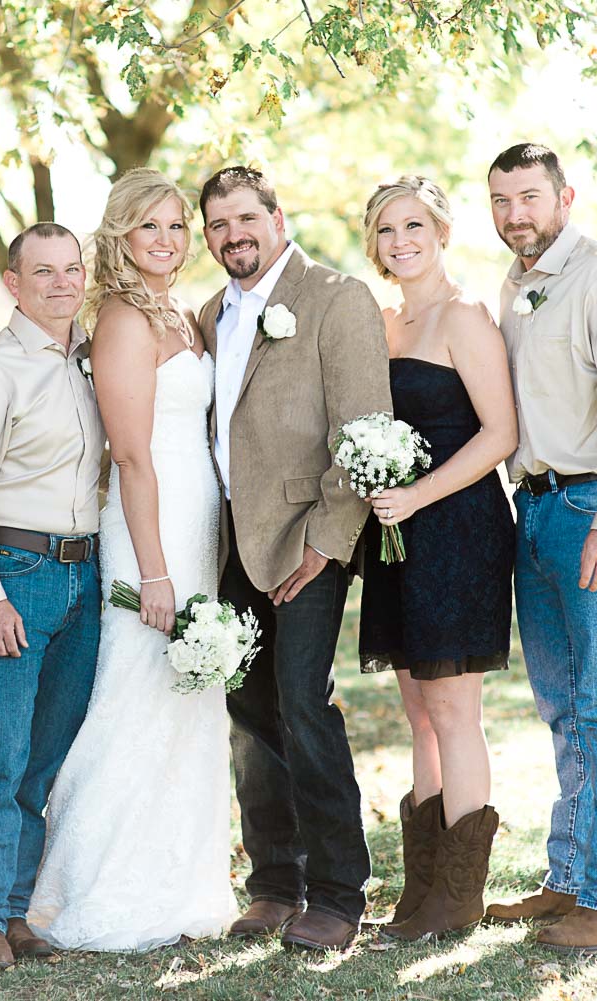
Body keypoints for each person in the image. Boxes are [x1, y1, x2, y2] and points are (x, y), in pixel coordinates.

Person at [27, 168, 236, 950]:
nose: (169, 240)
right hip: (148, 529)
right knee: (135, 690)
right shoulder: (120, 318)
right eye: (151, 226)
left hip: (195, 522)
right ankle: (101, 888)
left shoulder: (182, 312)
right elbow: (131, 455)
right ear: (120, 235)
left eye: (179, 226)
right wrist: (154, 572)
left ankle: (181, 885)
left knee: (187, 699)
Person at [198, 165, 392, 953]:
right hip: (227, 541)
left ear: (277, 217)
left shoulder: (336, 298)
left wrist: (324, 540)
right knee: (248, 710)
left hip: (307, 538)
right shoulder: (211, 312)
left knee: (304, 703)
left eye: (245, 218)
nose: (232, 235)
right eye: (217, 225)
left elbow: (363, 428)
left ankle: (341, 892)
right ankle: (276, 880)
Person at [481, 143, 597, 956]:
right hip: (537, 510)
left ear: (564, 196)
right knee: (563, 709)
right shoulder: (517, 285)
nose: (515, 214)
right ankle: (570, 877)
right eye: (500, 200)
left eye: (528, 197)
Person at [0, 223, 105, 970]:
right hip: (14, 572)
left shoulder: (87, 362)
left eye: (72, 269)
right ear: (13, 282)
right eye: (44, 272)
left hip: (82, 576)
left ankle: (13, 911)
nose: (62, 283)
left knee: (43, 758)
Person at [355, 176, 517, 941]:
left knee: (454, 711)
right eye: (386, 230)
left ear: (442, 230)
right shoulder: (384, 321)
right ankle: (419, 892)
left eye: (414, 225)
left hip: (456, 528)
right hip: (395, 537)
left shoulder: (465, 317)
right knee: (416, 713)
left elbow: (499, 434)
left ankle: (460, 895)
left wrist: (418, 496)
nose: (401, 241)